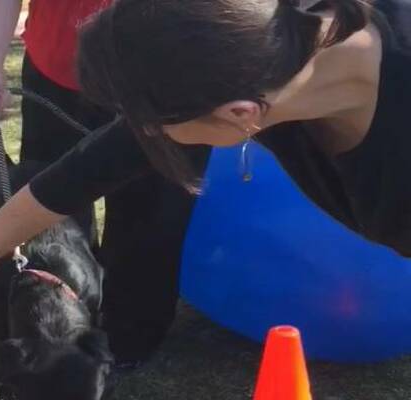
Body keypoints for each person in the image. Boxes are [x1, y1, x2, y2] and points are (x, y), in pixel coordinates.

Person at [0, 0, 210, 366]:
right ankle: (42, 331)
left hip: (174, 84)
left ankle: (126, 342)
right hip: (59, 73)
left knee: (151, 223)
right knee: (48, 225)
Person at [75, 0, 411, 255]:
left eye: (150, 125)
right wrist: (18, 228)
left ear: (239, 114)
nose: (144, 133)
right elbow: (106, 158)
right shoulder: (264, 53)